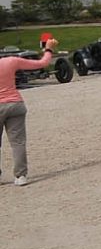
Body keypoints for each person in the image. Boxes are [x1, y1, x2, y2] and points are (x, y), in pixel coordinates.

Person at [0, 37, 58, 186]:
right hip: (15, 103)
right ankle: (21, 176)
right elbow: (42, 63)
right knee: (18, 143)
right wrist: (48, 49)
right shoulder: (11, 61)